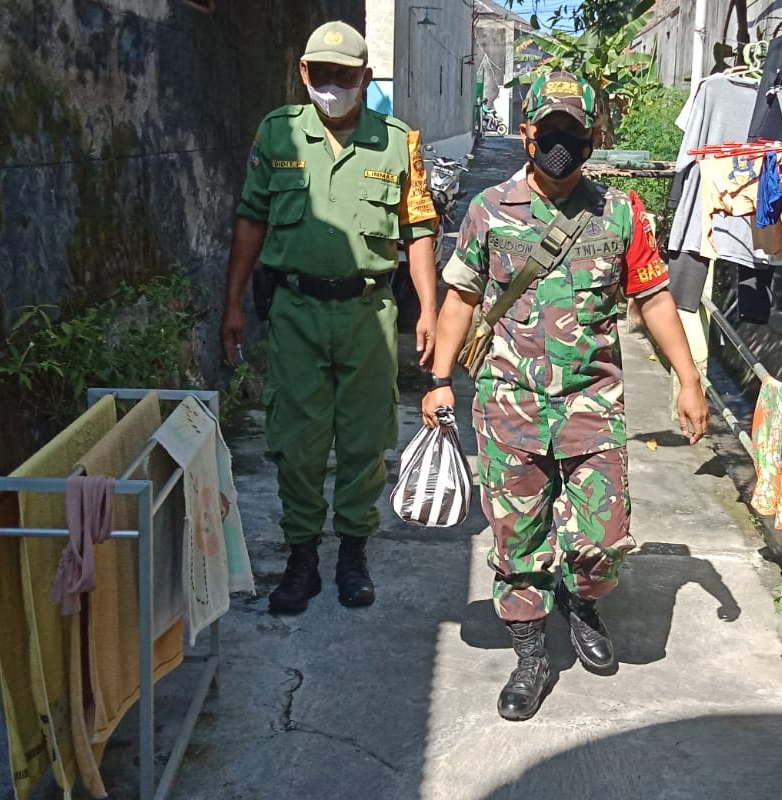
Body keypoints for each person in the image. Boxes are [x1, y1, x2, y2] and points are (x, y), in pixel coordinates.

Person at [422, 71, 710, 720]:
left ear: (591, 136)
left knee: (602, 540)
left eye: (572, 131)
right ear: (527, 132)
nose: (560, 142)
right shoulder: (488, 211)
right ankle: (530, 655)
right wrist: (439, 379)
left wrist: (688, 380)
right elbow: (461, 298)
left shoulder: (621, 213)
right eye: (549, 130)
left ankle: (583, 600)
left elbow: (656, 297)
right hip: (507, 410)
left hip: (592, 410)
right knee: (517, 544)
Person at [220, 20, 438, 615]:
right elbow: (250, 220)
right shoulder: (278, 135)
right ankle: (301, 558)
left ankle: (353, 555)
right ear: (304, 73)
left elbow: (418, 230)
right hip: (294, 312)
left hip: (369, 312)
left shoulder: (398, 143)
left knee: (367, 439)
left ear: (366, 78)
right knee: (296, 440)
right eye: (321, 74)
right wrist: (233, 303)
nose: (332, 86)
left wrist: (430, 311)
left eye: (345, 76)